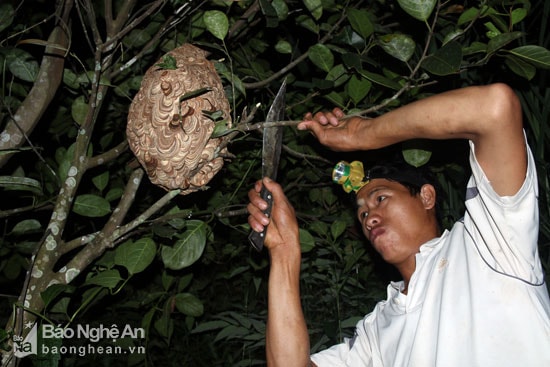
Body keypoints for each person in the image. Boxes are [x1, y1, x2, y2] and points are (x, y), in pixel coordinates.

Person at [247, 83, 550, 367]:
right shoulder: (377, 330)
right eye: (362, 213)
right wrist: (285, 250)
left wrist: (365, 133)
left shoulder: (489, 241)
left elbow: (494, 106)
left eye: (380, 199)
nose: (370, 217)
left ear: (426, 196)